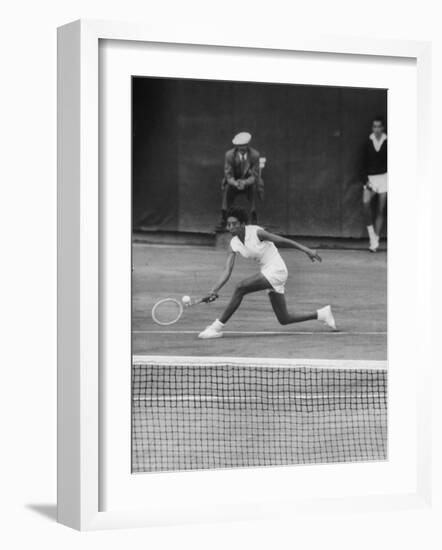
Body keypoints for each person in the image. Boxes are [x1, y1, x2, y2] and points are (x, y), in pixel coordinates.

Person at [199, 207, 336, 339]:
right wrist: (213, 290)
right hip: (266, 271)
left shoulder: (257, 232)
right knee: (284, 318)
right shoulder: (234, 243)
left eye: (234, 224)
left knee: (241, 287)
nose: (230, 228)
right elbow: (227, 270)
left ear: (243, 224)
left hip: (277, 270)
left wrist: (306, 250)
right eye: (228, 225)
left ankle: (215, 328)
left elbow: (282, 241)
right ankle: (322, 314)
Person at [218, 132, 263, 229]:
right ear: (236, 146)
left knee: (254, 189)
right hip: (233, 183)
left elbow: (255, 175)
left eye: (244, 146)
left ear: (248, 145)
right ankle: (224, 218)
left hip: (248, 183)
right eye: (240, 146)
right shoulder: (229, 155)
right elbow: (228, 174)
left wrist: (245, 182)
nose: (242, 148)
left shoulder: (255, 155)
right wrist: (234, 183)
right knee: (227, 189)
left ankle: (254, 218)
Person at [363, 116, 388, 252]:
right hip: (371, 179)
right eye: (374, 126)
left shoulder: (388, 141)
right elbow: (363, 162)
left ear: (382, 128)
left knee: (380, 209)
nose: (377, 129)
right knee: (365, 205)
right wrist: (365, 179)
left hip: (385, 178)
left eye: (379, 126)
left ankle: (376, 241)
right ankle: (372, 236)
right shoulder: (368, 142)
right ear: (372, 128)